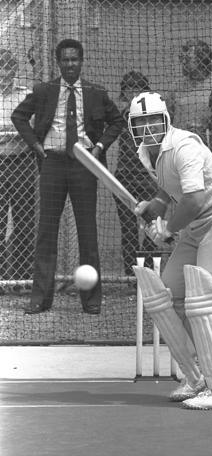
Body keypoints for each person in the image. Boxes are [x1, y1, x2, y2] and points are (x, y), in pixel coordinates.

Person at [130, 92, 212, 410]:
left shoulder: (183, 146)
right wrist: (153, 206)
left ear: (166, 120)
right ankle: (199, 375)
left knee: (207, 300)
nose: (147, 129)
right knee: (167, 295)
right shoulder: (149, 152)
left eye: (152, 121)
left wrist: (167, 229)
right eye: (140, 122)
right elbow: (169, 188)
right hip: (197, 227)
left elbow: (195, 200)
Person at [11, 38, 124, 314]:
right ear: (59, 62)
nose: (70, 64)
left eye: (75, 60)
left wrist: (98, 147)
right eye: (66, 60)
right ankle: (40, 299)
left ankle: (92, 299)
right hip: (52, 165)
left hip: (85, 166)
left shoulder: (96, 92)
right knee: (46, 232)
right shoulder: (44, 90)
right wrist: (36, 146)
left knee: (88, 232)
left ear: (81, 62)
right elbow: (19, 117)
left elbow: (118, 121)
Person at [0, 49, 36, 295]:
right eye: (1, 67)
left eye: (9, 67)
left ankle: (22, 279)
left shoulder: (25, 96)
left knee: (24, 220)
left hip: (21, 162)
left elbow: (32, 128)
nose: (5, 73)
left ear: (14, 70)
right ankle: (1, 280)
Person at [114, 71, 157, 277]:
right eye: (129, 89)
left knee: (153, 227)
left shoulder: (156, 115)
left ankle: (149, 273)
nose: (133, 93)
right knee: (129, 230)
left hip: (150, 179)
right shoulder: (121, 117)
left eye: (138, 88)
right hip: (125, 178)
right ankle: (132, 275)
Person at [168, 39, 212, 136]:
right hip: (179, 145)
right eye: (181, 58)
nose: (183, 62)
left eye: (187, 59)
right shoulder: (176, 87)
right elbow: (167, 120)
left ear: (202, 60)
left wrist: (205, 130)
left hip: (209, 146)